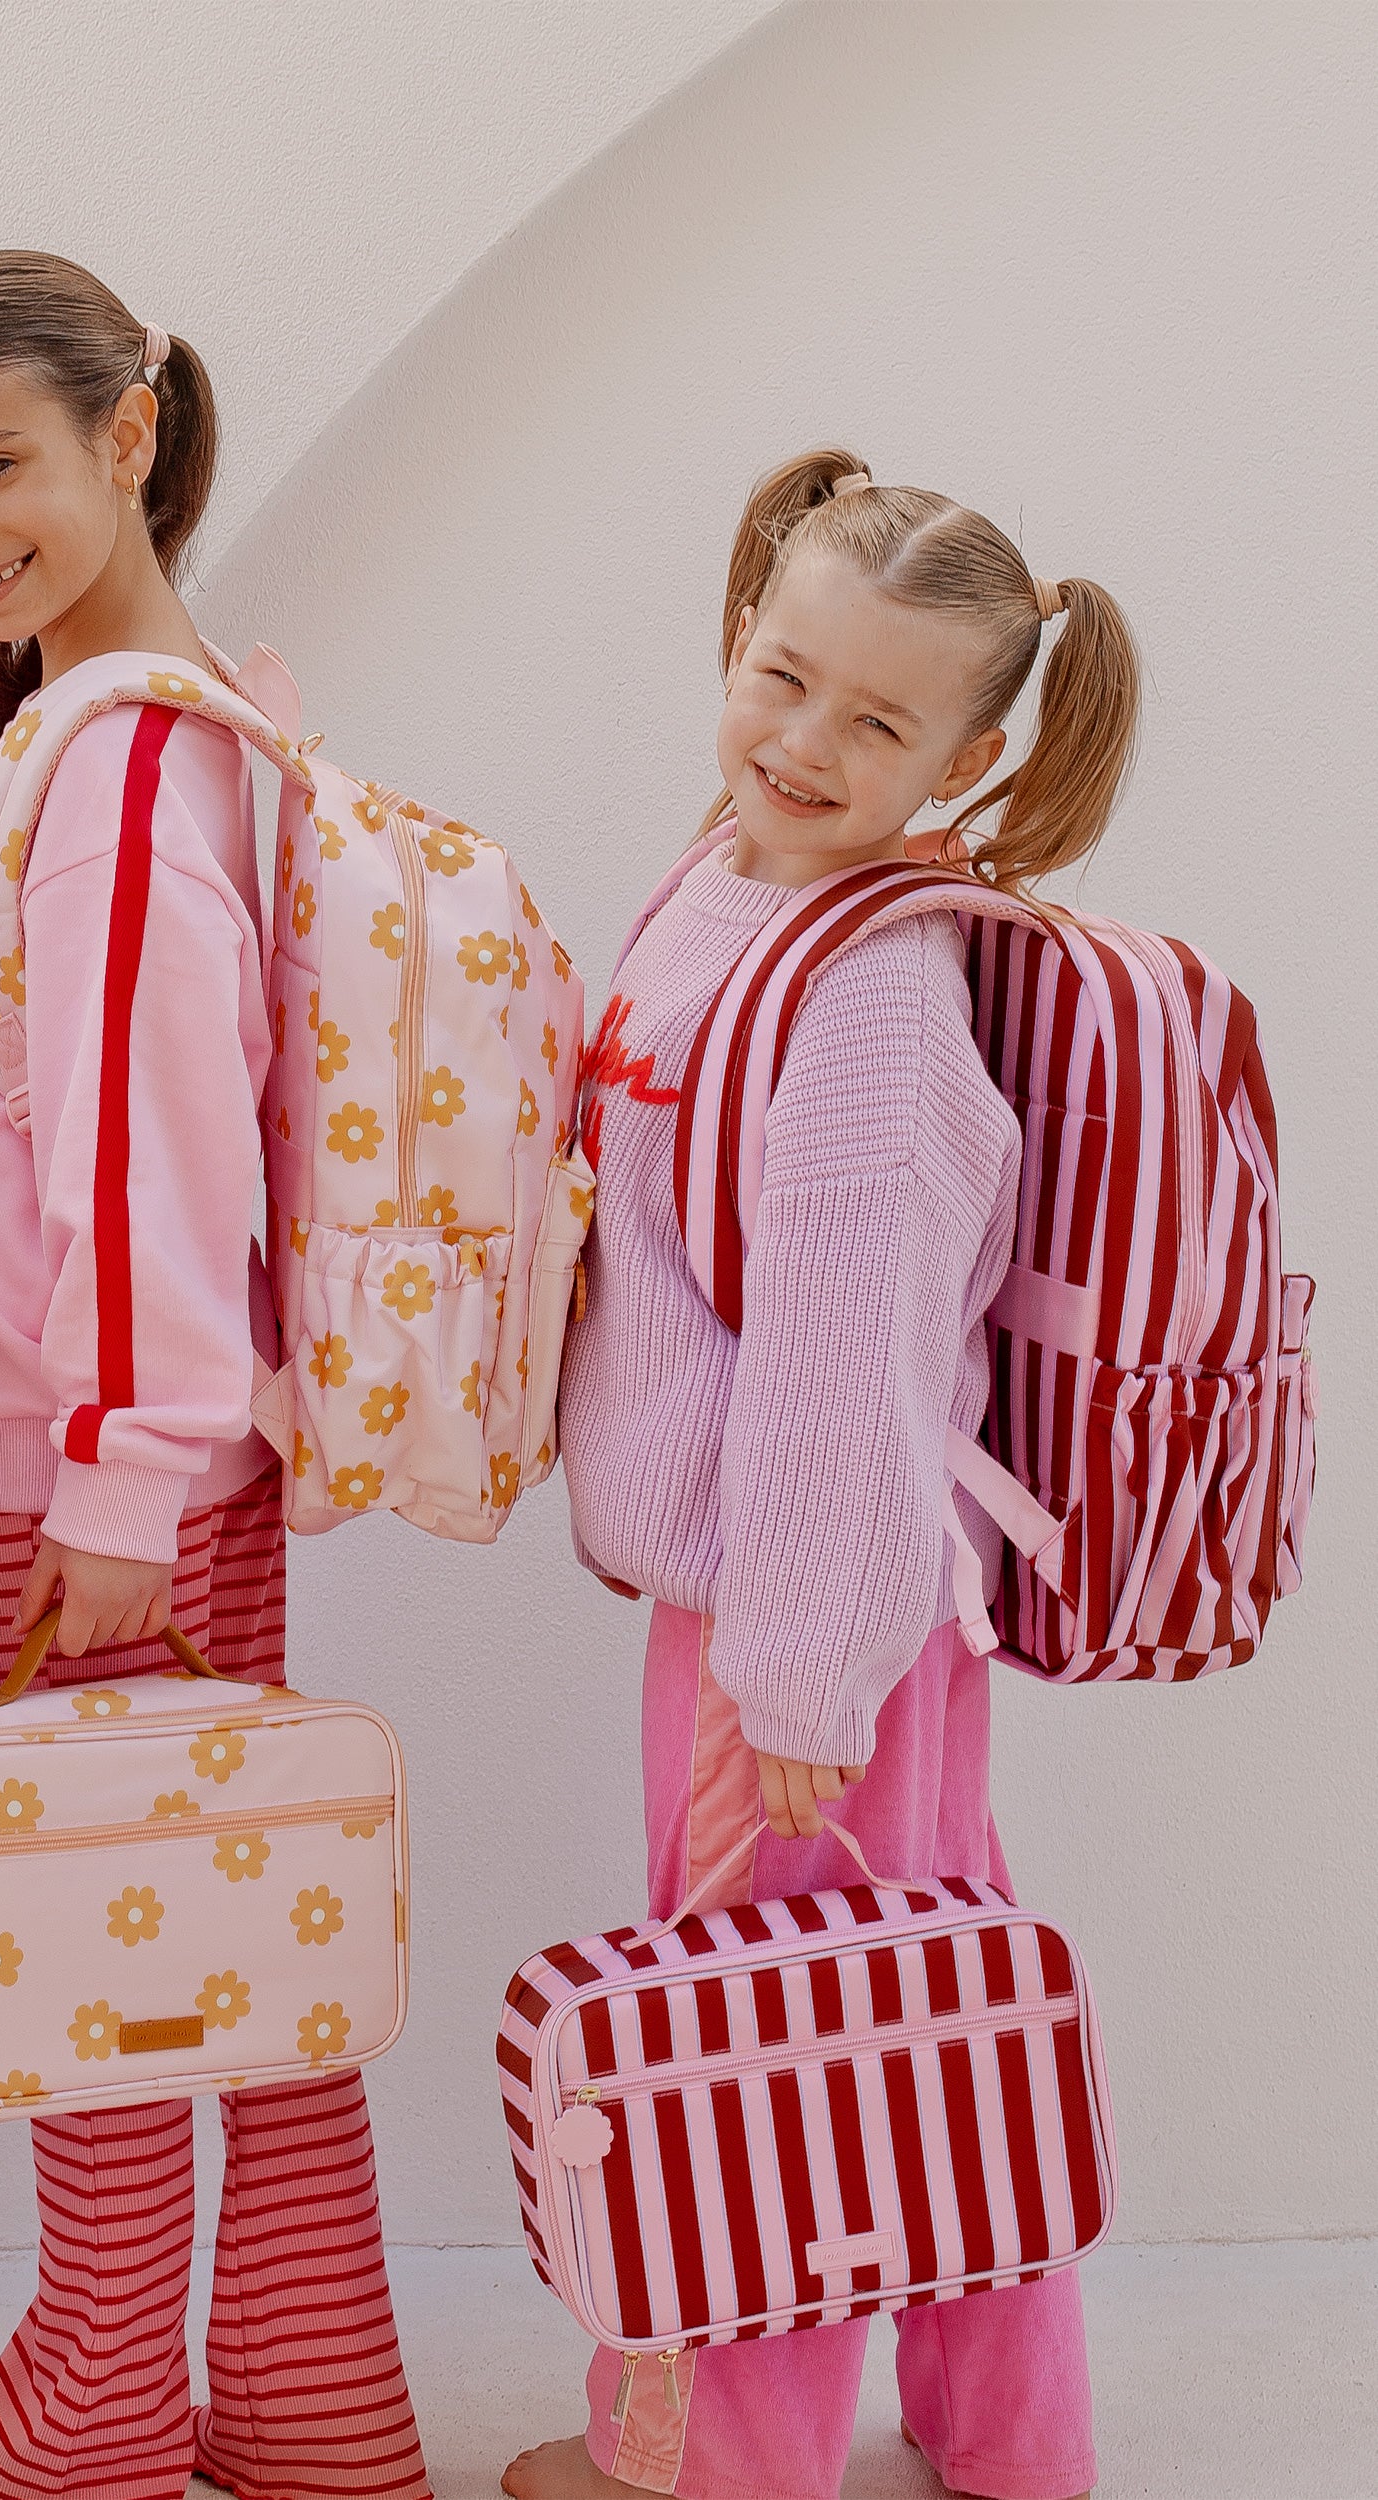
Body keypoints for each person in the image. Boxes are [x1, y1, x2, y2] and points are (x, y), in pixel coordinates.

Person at [0, 249, 432, 2500]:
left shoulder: (114, 764)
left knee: (104, 1946)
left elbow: (134, 1154)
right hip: (153, 1462)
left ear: (131, 430)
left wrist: (105, 1490)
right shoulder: (147, 731)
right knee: (226, 1925)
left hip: (99, 1485)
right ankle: (310, 2408)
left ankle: (91, 2412)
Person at [509, 449, 1140, 2500]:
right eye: (779, 674)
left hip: (798, 1615)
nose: (798, 739)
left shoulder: (862, 983)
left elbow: (836, 1373)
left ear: (965, 756)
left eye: (873, 722)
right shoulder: (725, 876)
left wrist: (793, 1680)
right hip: (846, 1603)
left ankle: (718, 2458)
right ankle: (1004, 2431)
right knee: (922, 1998)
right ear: (734, 633)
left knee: (752, 2047)